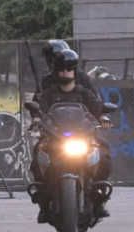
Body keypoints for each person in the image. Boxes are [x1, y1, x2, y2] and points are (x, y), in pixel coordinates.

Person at [34, 49, 110, 219]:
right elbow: (39, 109)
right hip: (56, 138)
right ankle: (43, 201)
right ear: (56, 71)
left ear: (74, 71)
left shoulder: (84, 92)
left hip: (82, 137)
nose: (65, 73)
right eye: (61, 69)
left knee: (104, 151)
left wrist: (103, 116)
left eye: (68, 69)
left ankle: (98, 195)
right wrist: (36, 119)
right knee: (37, 152)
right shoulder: (48, 94)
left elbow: (97, 108)